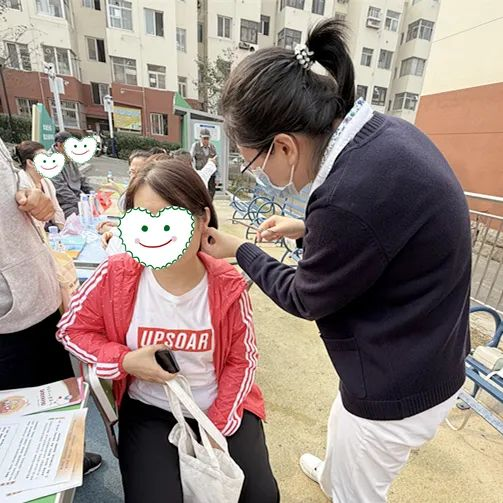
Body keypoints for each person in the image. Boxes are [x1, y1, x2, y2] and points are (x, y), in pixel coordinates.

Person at [200, 19, 471, 503]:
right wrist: (309, 228)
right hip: (432, 349)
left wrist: (241, 251)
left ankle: (346, 485)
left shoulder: (346, 198)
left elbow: (305, 296)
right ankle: (336, 474)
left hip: (399, 386)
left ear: (284, 144)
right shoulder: (382, 136)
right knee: (340, 420)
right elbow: (390, 223)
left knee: (359, 490)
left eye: (253, 162)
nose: (259, 173)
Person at [56, 158, 279, 503]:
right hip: (150, 409)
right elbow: (72, 330)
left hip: (218, 406)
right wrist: (126, 360)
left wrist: (215, 427)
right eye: (144, 221)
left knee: (259, 496)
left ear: (203, 218)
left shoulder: (226, 284)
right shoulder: (117, 274)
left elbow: (242, 360)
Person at [0, 137, 102, 476]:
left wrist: (34, 197)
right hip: (9, 316)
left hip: (39, 299)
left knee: (58, 396)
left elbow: (17, 190)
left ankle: (66, 458)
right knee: (19, 422)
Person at [15, 140, 65, 231]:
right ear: (30, 163)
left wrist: (64, 232)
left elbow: (57, 210)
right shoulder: (21, 184)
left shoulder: (46, 182)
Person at [51, 131, 93, 218]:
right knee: (84, 216)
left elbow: (81, 179)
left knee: (97, 208)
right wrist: (80, 204)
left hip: (76, 198)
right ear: (59, 145)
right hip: (63, 203)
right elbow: (61, 190)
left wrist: (92, 194)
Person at [190, 128, 218, 199]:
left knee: (211, 192)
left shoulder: (212, 147)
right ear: (200, 138)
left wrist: (218, 176)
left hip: (211, 174)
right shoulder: (195, 146)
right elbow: (191, 158)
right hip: (201, 174)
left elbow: (216, 162)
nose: (206, 140)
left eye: (207, 138)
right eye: (204, 138)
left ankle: (209, 205)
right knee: (201, 192)